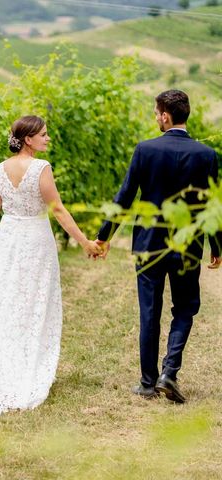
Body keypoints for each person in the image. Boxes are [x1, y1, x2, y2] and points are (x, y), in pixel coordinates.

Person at [0, 115, 102, 415]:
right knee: (33, 303)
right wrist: (85, 242)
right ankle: (26, 366)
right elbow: (58, 210)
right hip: (36, 241)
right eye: (43, 134)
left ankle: (2, 363)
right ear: (28, 139)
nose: (47, 138)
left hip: (7, 241)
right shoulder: (41, 169)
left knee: (4, 303)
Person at [96, 89, 222, 403]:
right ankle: (170, 370)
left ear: (165, 115)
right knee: (185, 307)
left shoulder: (145, 150)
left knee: (149, 311)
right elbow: (211, 207)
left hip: (149, 246)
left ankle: (148, 382)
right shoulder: (207, 155)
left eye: (156, 113)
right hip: (188, 245)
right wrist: (217, 246)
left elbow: (124, 198)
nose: (156, 118)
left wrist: (103, 237)